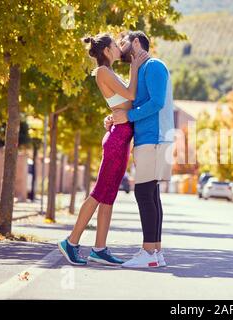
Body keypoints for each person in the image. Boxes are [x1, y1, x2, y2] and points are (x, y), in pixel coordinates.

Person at [57, 33, 148, 266]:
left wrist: (112, 115)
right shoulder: (103, 72)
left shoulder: (108, 71)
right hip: (118, 139)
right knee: (99, 193)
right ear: (107, 50)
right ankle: (71, 242)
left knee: (108, 196)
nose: (120, 48)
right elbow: (130, 94)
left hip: (122, 136)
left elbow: (123, 102)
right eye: (116, 45)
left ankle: (99, 249)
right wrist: (135, 67)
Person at [104, 30, 175, 268]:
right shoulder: (142, 69)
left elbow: (156, 102)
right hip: (150, 138)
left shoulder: (154, 65)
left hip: (154, 139)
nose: (119, 46)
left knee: (144, 193)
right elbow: (138, 104)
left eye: (122, 41)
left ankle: (148, 253)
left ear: (136, 42)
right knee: (151, 194)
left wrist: (129, 115)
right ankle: (155, 252)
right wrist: (116, 118)